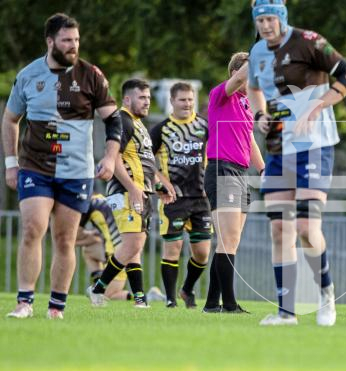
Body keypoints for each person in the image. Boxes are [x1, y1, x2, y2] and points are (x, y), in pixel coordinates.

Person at [247, 0, 346, 326]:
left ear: (282, 18)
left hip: (315, 145)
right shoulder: (257, 53)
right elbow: (254, 89)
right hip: (279, 148)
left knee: (308, 229)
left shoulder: (309, 42)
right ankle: (286, 313)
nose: (266, 26)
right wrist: (260, 115)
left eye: (271, 19)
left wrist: (315, 108)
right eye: (261, 20)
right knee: (280, 228)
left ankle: (326, 295)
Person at [3, 13, 122, 320]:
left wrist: (109, 157)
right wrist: (11, 164)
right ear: (50, 41)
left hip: (77, 172)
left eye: (76, 40)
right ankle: (24, 302)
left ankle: (56, 307)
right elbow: (10, 119)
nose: (73, 46)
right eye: (67, 40)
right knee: (32, 228)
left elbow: (113, 120)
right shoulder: (28, 75)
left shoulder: (91, 75)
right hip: (35, 167)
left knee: (65, 239)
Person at [87, 78, 175, 308]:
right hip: (125, 192)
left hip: (140, 192)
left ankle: (140, 299)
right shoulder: (122, 120)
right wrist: (132, 188)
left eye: (148, 97)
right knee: (133, 243)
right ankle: (98, 289)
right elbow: (114, 156)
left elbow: (145, 162)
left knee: (136, 246)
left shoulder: (138, 124)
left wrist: (159, 186)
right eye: (141, 97)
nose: (147, 102)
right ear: (127, 99)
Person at [203, 52, 264, 313]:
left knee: (230, 241)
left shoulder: (246, 105)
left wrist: (262, 169)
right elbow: (241, 74)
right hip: (221, 170)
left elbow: (249, 141)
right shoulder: (221, 95)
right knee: (228, 238)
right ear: (236, 74)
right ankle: (229, 304)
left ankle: (210, 303)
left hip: (240, 173)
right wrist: (260, 50)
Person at [150, 82, 212, 308]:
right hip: (173, 199)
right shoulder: (161, 129)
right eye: (182, 99)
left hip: (201, 199)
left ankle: (186, 289)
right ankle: (170, 300)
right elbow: (145, 159)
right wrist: (161, 183)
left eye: (190, 99)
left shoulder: (205, 126)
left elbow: (215, 155)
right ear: (172, 101)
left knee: (203, 253)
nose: (187, 103)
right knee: (173, 248)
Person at [76, 193, 129, 300]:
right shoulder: (101, 198)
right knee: (88, 250)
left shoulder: (88, 204)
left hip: (116, 254)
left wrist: (88, 235)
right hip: (124, 248)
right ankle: (99, 282)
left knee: (106, 296)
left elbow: (76, 234)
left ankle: (149, 297)